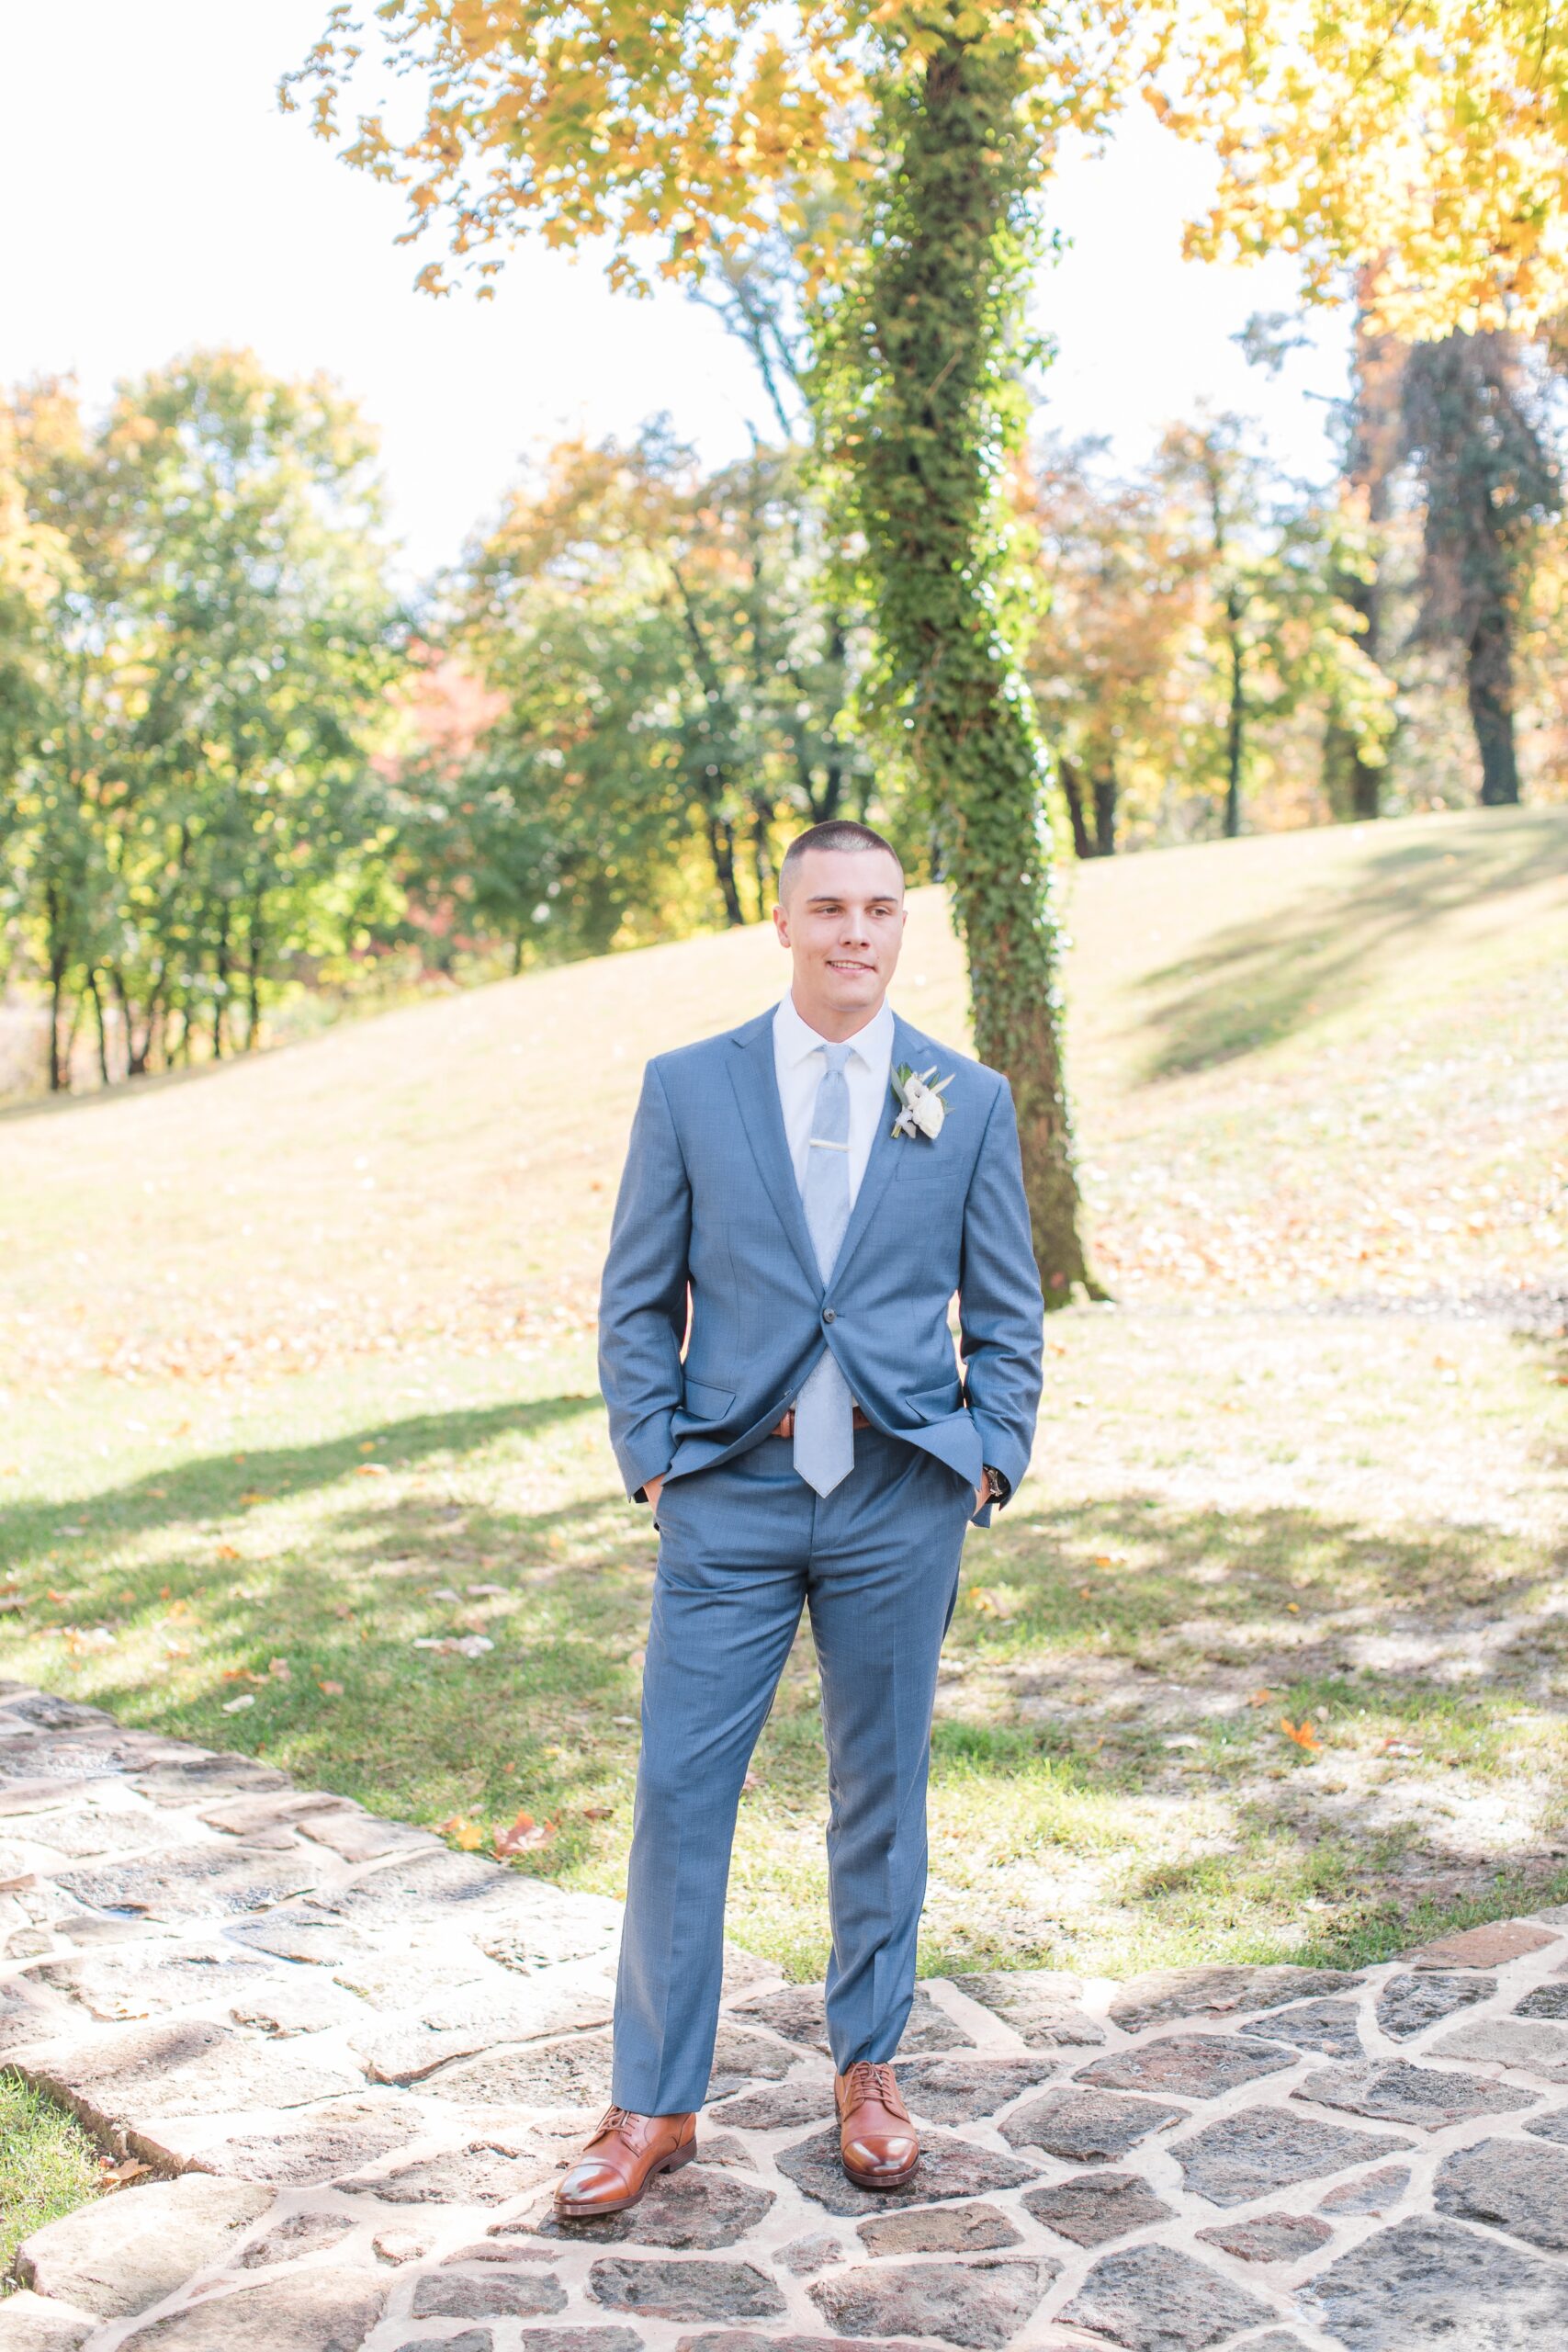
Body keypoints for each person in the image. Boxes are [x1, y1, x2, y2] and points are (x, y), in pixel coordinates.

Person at [556, 820, 1043, 2219]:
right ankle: (654, 2098)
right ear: (783, 924)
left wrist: (988, 1458)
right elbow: (637, 1297)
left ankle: (871, 2072)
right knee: (675, 1790)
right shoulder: (691, 1088)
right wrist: (656, 1456)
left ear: (904, 928)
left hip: (901, 1493)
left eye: (881, 911)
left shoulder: (966, 1096)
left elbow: (1007, 1311)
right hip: (731, 1491)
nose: (855, 935)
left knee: (881, 1793)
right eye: (827, 908)